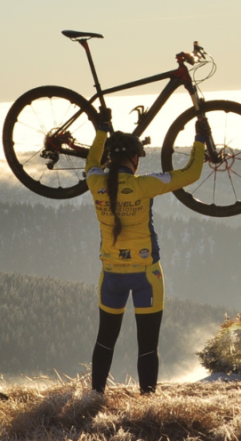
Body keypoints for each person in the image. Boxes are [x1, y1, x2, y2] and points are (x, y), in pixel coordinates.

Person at [84, 110, 210, 394]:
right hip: (146, 275)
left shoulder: (95, 183)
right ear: (134, 159)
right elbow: (192, 173)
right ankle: (148, 402)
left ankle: (94, 398)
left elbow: (91, 162)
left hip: (111, 275)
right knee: (148, 346)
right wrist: (200, 138)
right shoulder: (144, 185)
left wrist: (101, 130)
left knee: (105, 340)